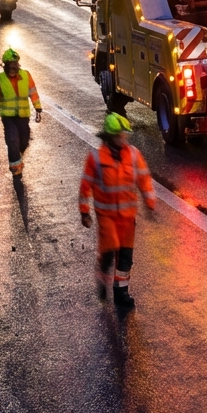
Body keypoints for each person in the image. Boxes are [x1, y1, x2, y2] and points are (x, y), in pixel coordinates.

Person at [79, 112, 156, 307]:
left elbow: (144, 178)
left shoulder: (133, 154)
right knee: (109, 250)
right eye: (121, 135)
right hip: (106, 216)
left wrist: (150, 202)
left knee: (125, 258)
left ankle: (121, 292)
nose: (124, 138)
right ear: (111, 137)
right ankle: (102, 275)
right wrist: (84, 211)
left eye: (125, 135)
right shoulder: (96, 158)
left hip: (127, 218)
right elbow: (85, 186)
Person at [0, 48, 42, 180]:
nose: (13, 66)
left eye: (15, 64)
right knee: (12, 140)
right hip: (8, 117)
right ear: (5, 65)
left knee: (24, 140)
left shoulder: (26, 75)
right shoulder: (0, 79)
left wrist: (38, 108)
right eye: (11, 64)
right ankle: (16, 170)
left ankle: (18, 155)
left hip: (23, 116)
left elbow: (33, 92)